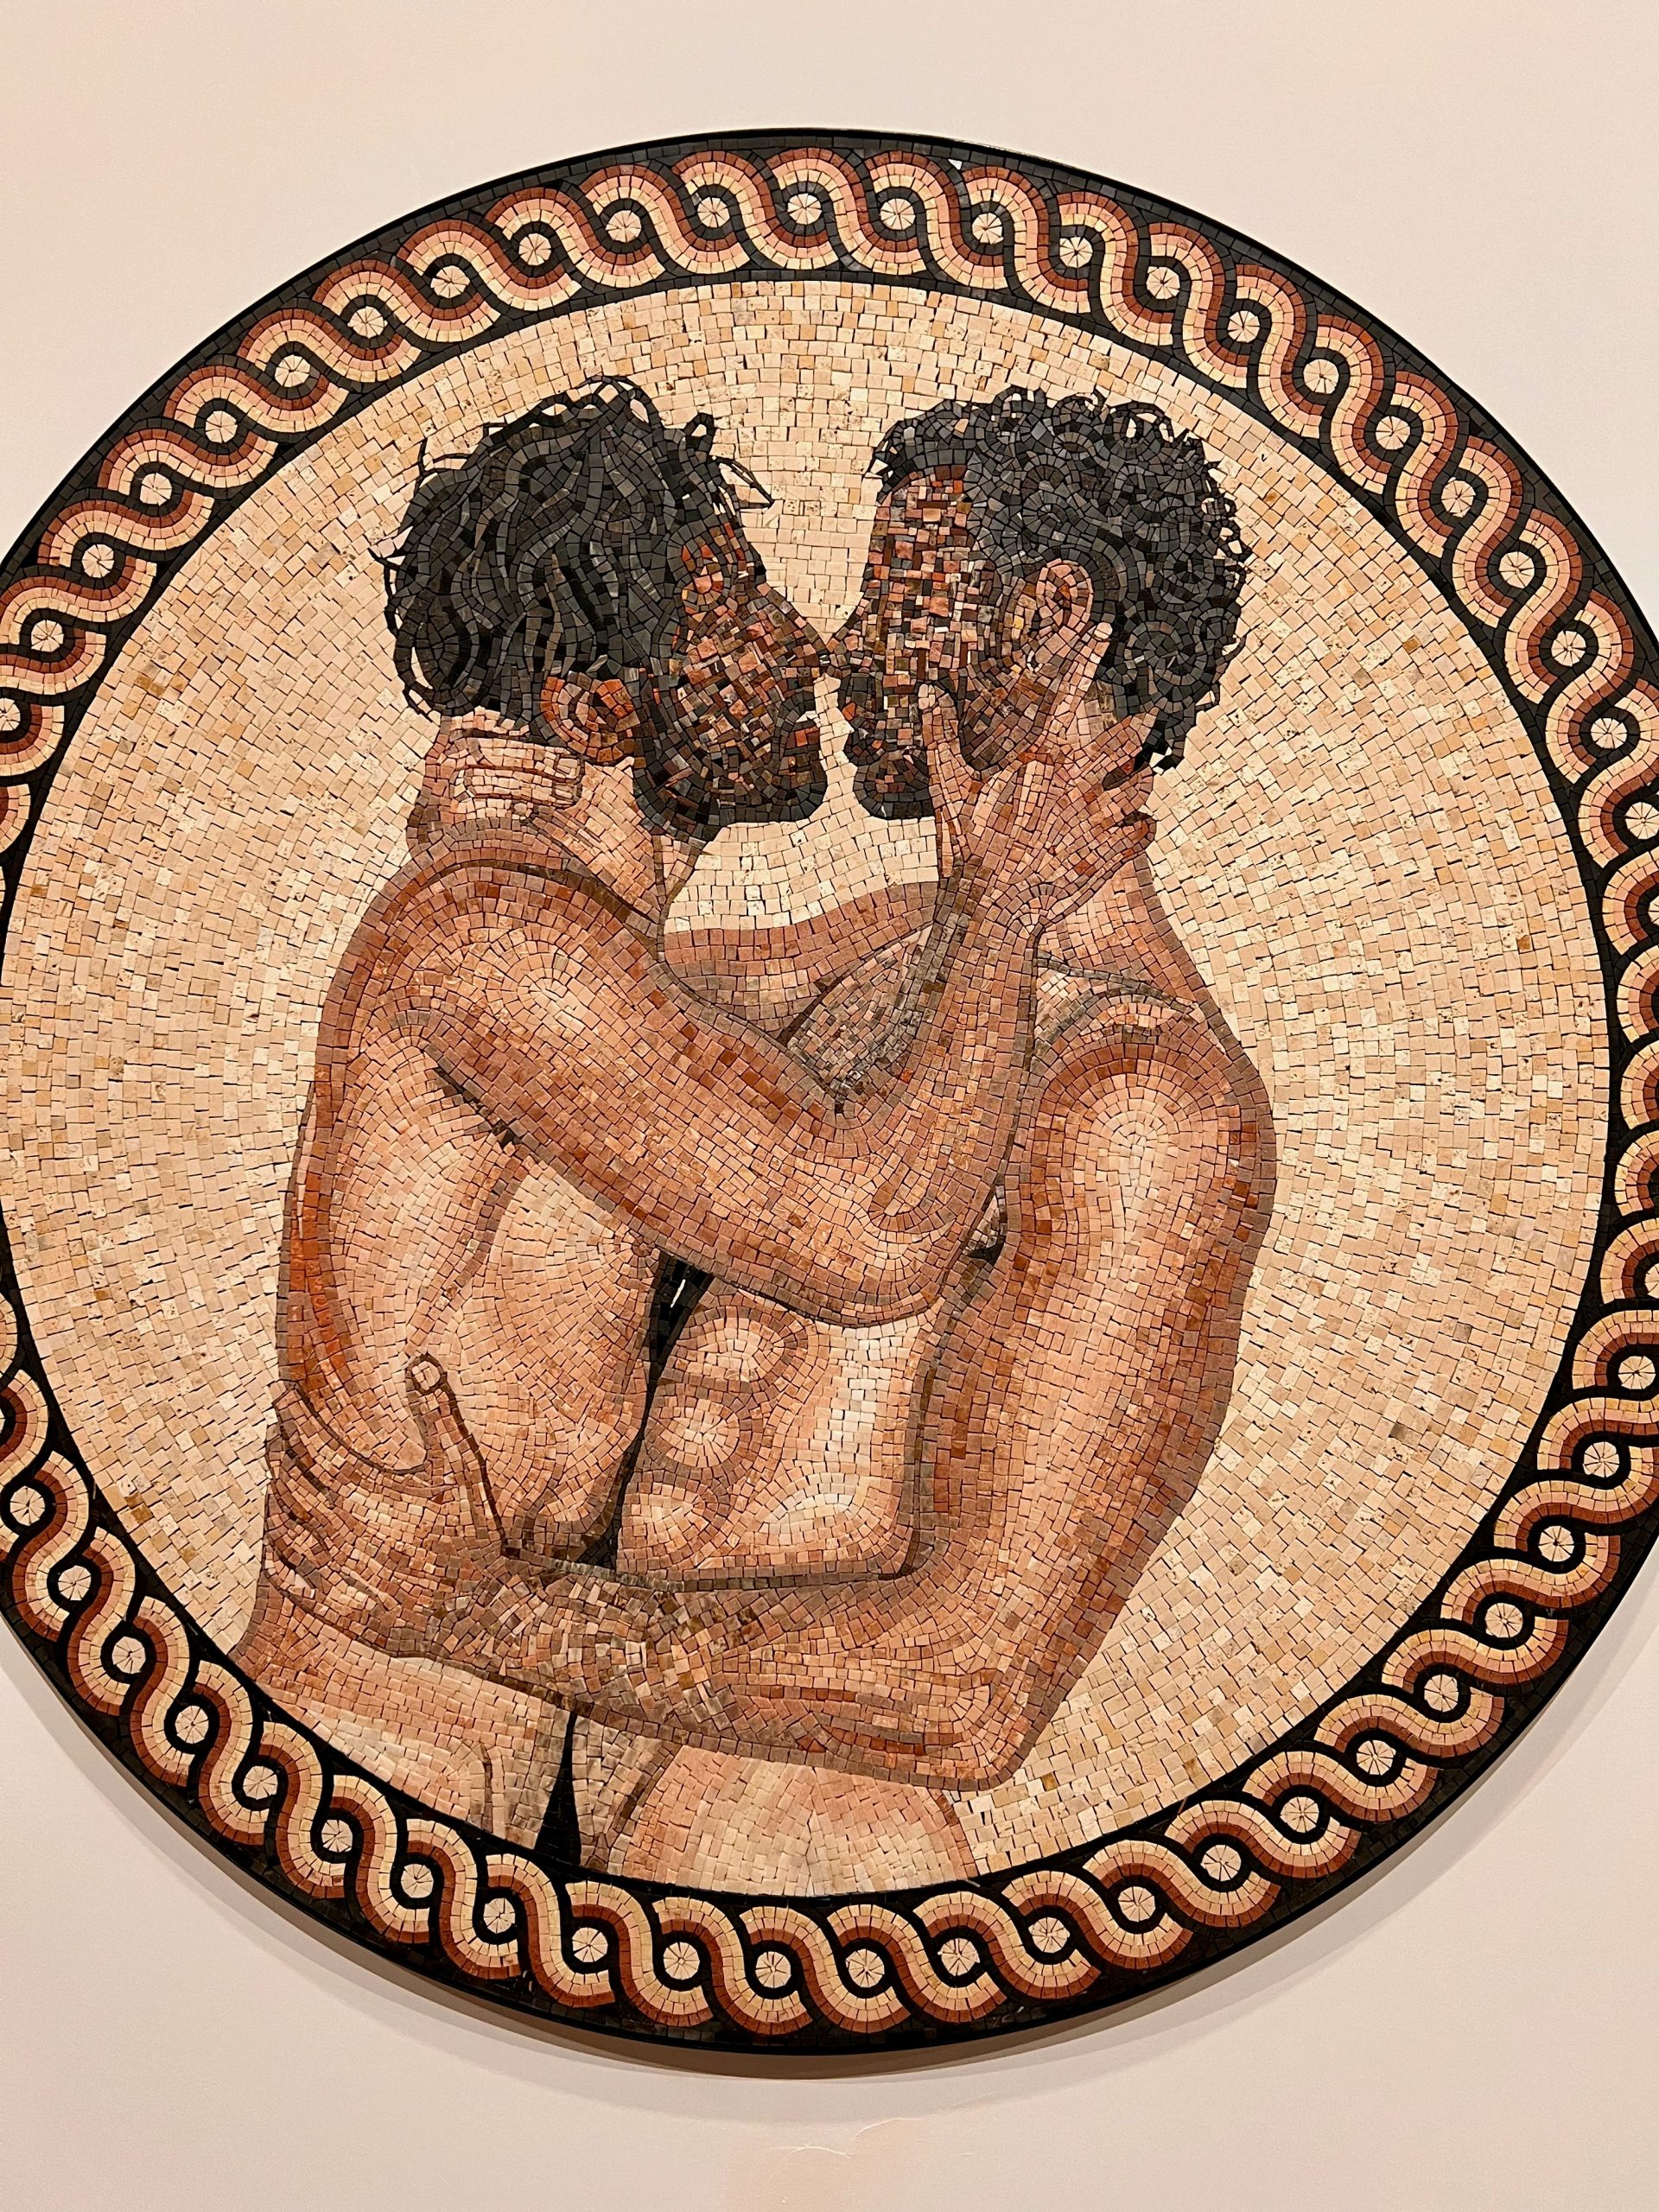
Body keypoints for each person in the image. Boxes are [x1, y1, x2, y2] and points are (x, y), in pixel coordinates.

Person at [261, 387, 1271, 1885]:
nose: (834, 647)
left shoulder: (1150, 1100)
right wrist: (489, 826)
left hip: (812, 1882)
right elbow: (571, 1007)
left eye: (890, 594)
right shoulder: (898, 972)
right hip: (544, 1840)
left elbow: (971, 1685)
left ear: (1053, 614)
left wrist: (485, 1615)